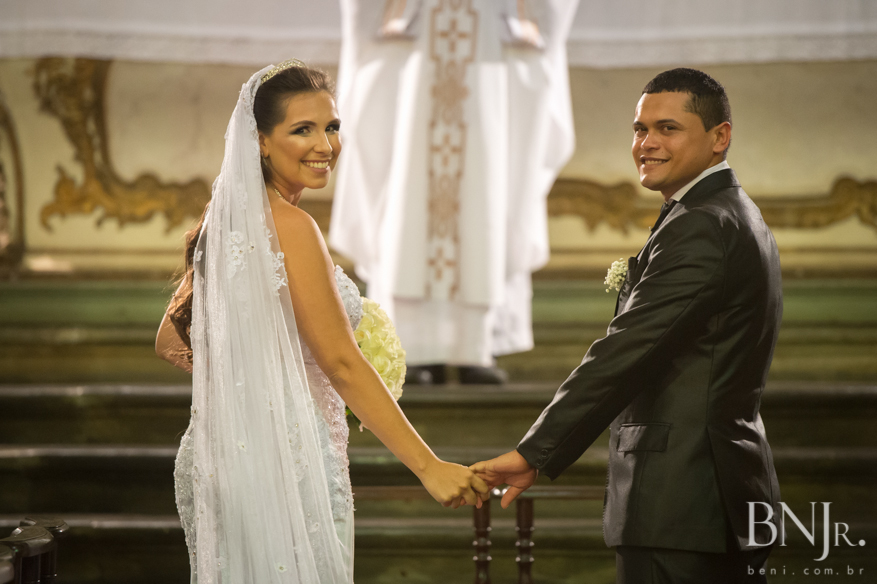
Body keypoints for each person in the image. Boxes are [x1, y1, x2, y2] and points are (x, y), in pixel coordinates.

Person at [156, 60, 488, 583]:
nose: (325, 145)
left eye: (331, 127)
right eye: (302, 130)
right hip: (289, 461)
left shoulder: (224, 221)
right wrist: (429, 467)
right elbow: (341, 362)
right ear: (260, 141)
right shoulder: (292, 226)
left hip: (223, 457)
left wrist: (249, 393)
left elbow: (168, 339)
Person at [471, 68, 783, 583]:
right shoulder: (725, 212)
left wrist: (535, 452)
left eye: (668, 128)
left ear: (719, 137)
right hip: (710, 494)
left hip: (682, 501)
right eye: (640, 129)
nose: (646, 143)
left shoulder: (703, 224)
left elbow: (626, 352)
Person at [329, 0, 579, 384]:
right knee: (407, 187)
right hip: (415, 38)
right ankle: (406, 346)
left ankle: (475, 346)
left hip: (488, 39)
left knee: (484, 185)